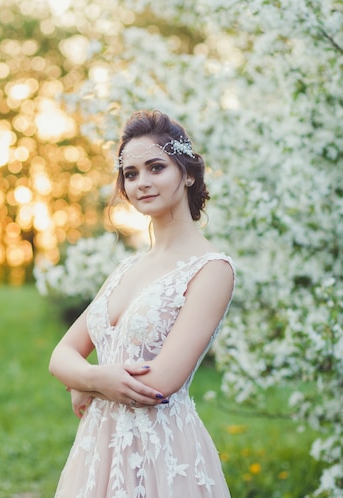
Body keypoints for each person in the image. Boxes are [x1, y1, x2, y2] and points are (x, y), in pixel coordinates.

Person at [49, 110, 235, 498]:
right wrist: (90, 378)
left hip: (162, 452)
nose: (142, 183)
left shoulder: (211, 269)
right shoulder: (126, 268)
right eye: (130, 174)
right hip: (99, 448)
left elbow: (160, 384)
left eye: (155, 168)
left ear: (186, 173)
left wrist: (84, 381)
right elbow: (61, 355)